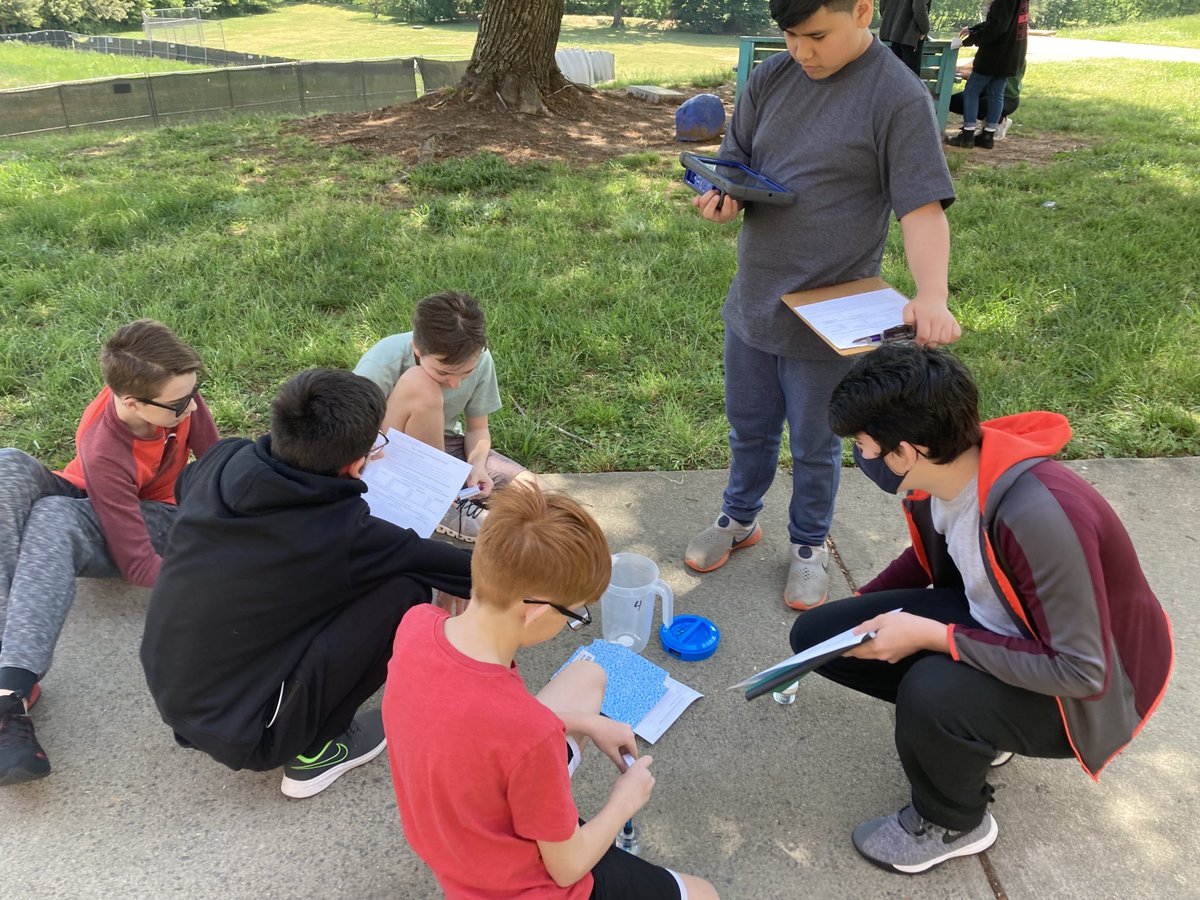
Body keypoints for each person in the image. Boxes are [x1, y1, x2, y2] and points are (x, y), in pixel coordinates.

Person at [787, 342, 1173, 874]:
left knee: (931, 692)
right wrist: (861, 610)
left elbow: (1082, 671)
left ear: (909, 451)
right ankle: (980, 729)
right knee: (820, 638)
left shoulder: (1037, 516)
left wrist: (933, 638)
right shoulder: (950, 475)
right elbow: (934, 556)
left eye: (865, 444)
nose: (861, 456)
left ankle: (953, 821)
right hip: (1009, 632)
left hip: (1091, 693)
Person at [685, 0, 960, 611]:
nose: (801, 51)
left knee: (816, 444)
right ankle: (739, 518)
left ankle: (808, 546)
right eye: (789, 35)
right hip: (755, 301)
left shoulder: (897, 97)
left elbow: (922, 210)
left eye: (817, 35)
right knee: (749, 429)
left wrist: (932, 295)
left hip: (831, 315)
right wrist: (721, 194)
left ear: (864, 10)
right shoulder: (774, 75)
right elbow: (737, 163)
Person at [140, 369, 472, 799]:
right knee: (405, 591)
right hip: (257, 732)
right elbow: (469, 571)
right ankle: (320, 749)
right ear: (356, 463)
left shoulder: (222, 459)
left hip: (173, 690)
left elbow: (187, 489)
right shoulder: (346, 533)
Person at [383, 484, 719, 900]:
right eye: (574, 614)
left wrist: (584, 723)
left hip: (451, 838)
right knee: (703, 893)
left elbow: (478, 725)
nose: (572, 622)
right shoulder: (530, 733)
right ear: (538, 610)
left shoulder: (416, 624)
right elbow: (566, 868)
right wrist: (622, 803)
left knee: (588, 676)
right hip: (523, 886)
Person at [0, 319, 217, 786]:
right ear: (130, 401)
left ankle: (9, 687)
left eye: (194, 393)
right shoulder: (105, 446)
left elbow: (216, 465)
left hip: (157, 517)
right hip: (97, 499)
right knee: (8, 466)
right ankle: (7, 683)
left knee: (54, 517)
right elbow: (137, 562)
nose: (192, 407)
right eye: (179, 403)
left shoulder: (178, 400)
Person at [354, 290, 533, 544]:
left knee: (535, 491)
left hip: (442, 445)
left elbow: (477, 430)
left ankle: (443, 491)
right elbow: (351, 431)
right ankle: (433, 500)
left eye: (466, 372)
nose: (455, 384)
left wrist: (477, 464)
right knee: (420, 384)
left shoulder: (481, 359)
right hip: (383, 451)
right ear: (418, 347)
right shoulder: (383, 360)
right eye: (444, 372)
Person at [945, 0, 1030, 149]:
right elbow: (1002, 22)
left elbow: (997, 27)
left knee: (971, 90)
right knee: (996, 94)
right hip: (1011, 55)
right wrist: (975, 29)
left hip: (994, 56)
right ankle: (988, 135)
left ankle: (968, 134)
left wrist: (969, 40)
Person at [948, 58, 1024, 140]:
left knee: (984, 106)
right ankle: (985, 127)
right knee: (953, 101)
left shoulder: (1010, 56)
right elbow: (978, 62)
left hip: (1007, 97)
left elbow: (985, 77)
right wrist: (958, 68)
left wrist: (966, 75)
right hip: (984, 92)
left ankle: (998, 122)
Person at [879, 0, 931, 76]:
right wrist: (925, 30)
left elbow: (882, 6)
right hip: (909, 37)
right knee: (911, 81)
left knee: (892, 78)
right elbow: (919, 7)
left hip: (889, 34)